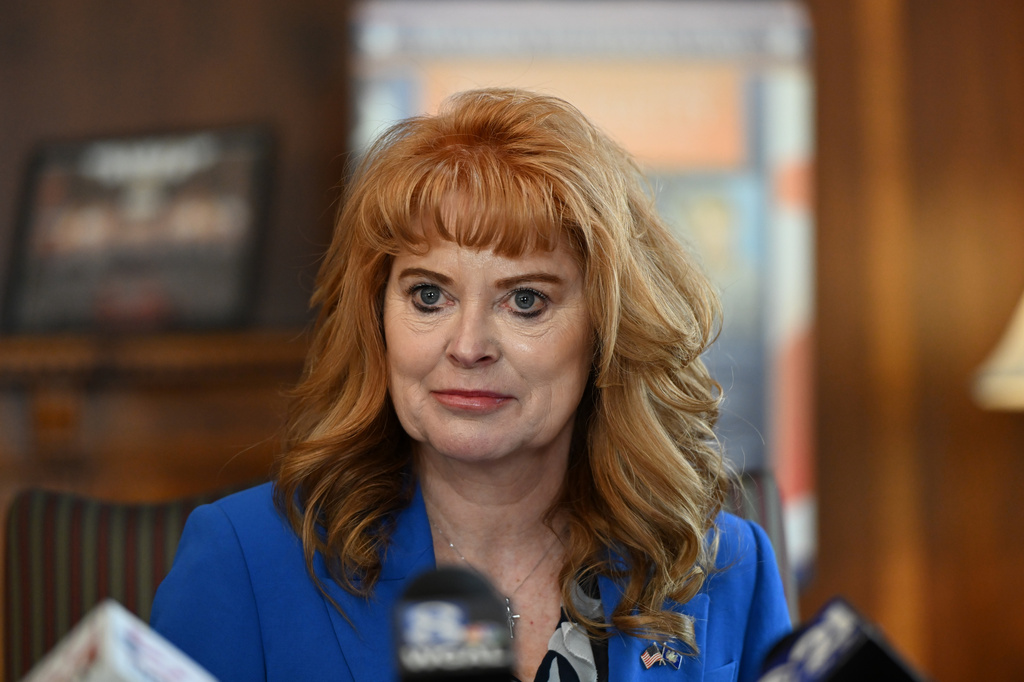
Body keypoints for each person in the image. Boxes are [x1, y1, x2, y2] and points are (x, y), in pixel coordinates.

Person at [151, 87, 791, 681]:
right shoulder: (244, 560)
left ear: (605, 330)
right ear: (378, 318)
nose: (467, 347)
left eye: (526, 302)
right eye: (429, 296)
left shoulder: (728, 567)